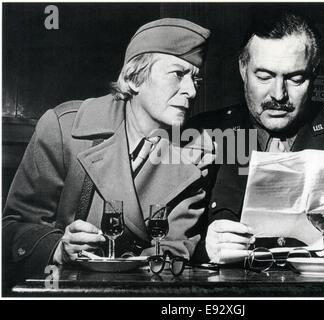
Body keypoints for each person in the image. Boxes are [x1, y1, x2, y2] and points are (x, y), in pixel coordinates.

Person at [2, 18, 214, 283]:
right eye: (178, 74)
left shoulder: (195, 153)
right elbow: (11, 229)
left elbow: (176, 248)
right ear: (133, 78)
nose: (192, 90)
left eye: (196, 78)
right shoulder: (65, 129)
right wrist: (58, 248)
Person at [188, 11, 324, 263]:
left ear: (313, 74)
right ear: (242, 69)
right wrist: (205, 249)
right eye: (264, 76)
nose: (278, 94)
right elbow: (165, 246)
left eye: (295, 78)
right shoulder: (204, 134)